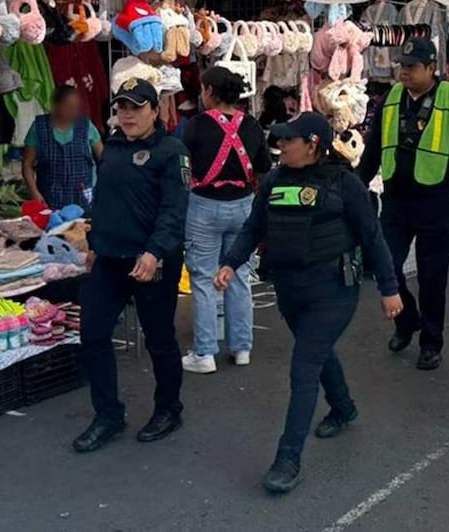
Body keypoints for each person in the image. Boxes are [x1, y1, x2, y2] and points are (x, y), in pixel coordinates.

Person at [215, 112, 401, 493]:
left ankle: (288, 459)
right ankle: (343, 407)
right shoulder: (276, 181)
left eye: (288, 141)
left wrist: (389, 287)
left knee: (304, 366)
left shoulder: (345, 183)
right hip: (289, 288)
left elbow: (372, 236)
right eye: (280, 141)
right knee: (316, 353)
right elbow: (254, 227)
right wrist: (230, 264)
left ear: (313, 144)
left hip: (333, 291)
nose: (281, 147)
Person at [72, 78, 190, 453]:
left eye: (136, 107)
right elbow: (104, 201)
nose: (127, 114)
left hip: (151, 260)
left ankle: (169, 409)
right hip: (109, 257)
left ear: (155, 111)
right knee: (92, 334)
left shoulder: (171, 151)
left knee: (159, 339)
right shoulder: (114, 149)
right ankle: (108, 415)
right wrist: (92, 243)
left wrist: (154, 252)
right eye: (122, 107)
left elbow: (175, 210)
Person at [357, 37, 449, 371]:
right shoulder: (391, 98)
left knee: (433, 278)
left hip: (435, 203)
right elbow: (373, 147)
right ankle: (407, 321)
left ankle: (431, 343)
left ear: (432, 69)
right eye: (402, 66)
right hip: (397, 202)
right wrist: (357, 185)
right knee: (387, 267)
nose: (405, 72)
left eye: (412, 67)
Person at [181, 67, 272, 374]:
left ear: (209, 90)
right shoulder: (252, 125)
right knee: (239, 275)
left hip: (204, 207)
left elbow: (184, 168)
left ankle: (205, 353)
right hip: (244, 206)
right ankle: (242, 347)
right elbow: (263, 168)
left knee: (204, 279)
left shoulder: (195, 126)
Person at [22, 85, 104, 211]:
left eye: (76, 107)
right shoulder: (39, 128)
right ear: (56, 105)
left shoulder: (86, 126)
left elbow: (103, 158)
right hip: (49, 197)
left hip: (83, 197)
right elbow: (27, 164)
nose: (74, 111)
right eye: (69, 106)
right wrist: (34, 192)